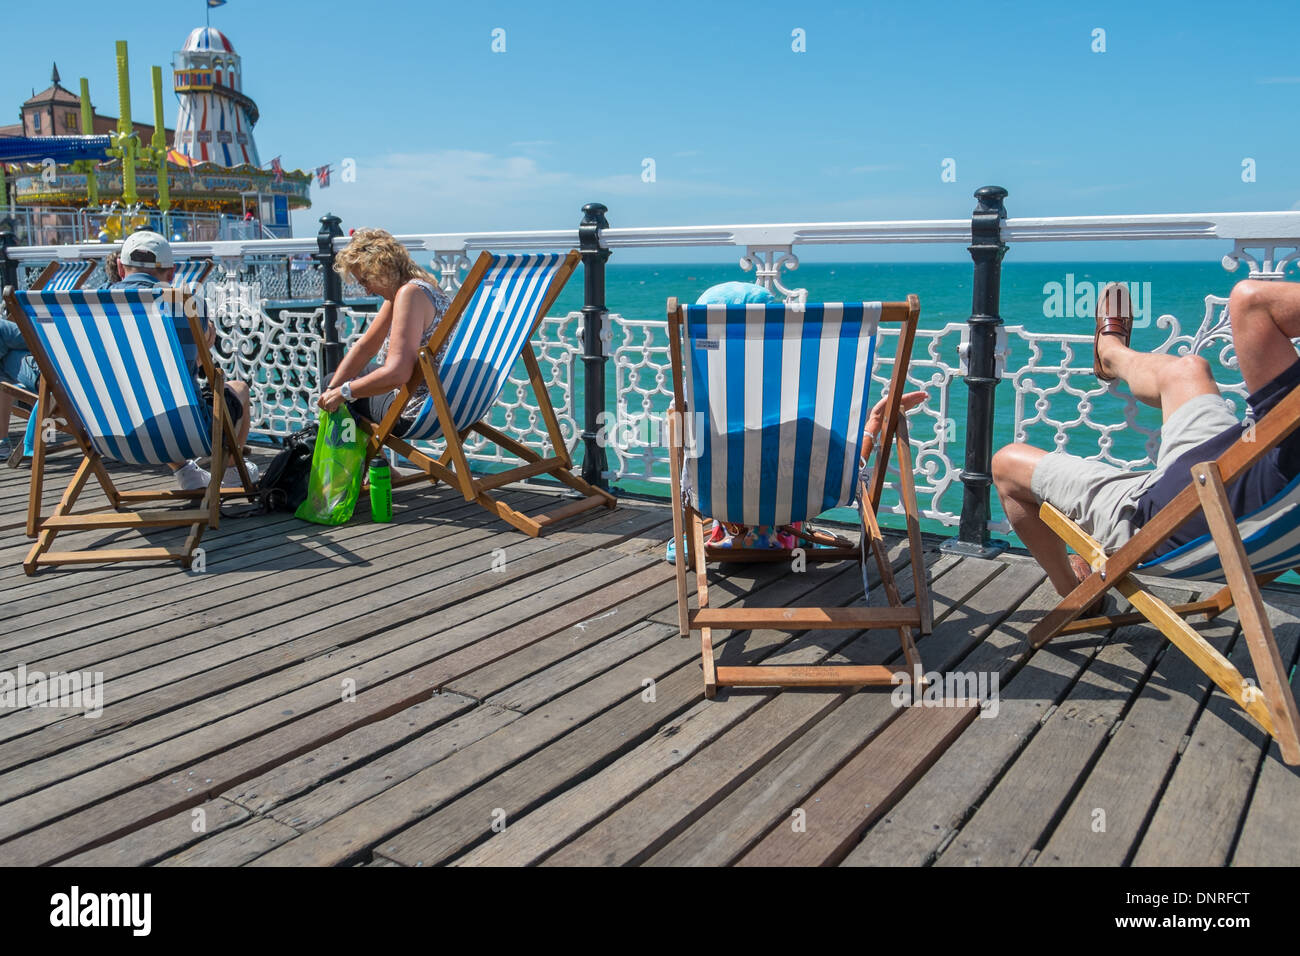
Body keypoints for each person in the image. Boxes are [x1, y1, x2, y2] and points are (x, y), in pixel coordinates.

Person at [993, 279, 1300, 599]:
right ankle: (1110, 354)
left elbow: (1252, 301)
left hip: (1167, 518)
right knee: (1188, 369)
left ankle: (1072, 589)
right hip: (1237, 459)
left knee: (1006, 464)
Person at [110, 231, 257, 490]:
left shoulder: (83, 306)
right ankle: (233, 470)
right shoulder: (186, 304)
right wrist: (206, 334)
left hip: (111, 433)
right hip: (184, 435)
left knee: (145, 397)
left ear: (120, 268)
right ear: (172, 272)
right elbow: (196, 364)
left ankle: (187, 472)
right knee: (239, 390)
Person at [316, 228, 451, 432]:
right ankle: (376, 461)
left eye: (365, 281)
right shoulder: (423, 287)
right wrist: (332, 390)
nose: (367, 290)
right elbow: (366, 347)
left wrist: (343, 392)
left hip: (418, 411)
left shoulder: (409, 294)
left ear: (381, 270)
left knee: (339, 390)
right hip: (450, 403)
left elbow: (398, 373)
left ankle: (370, 462)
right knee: (335, 383)